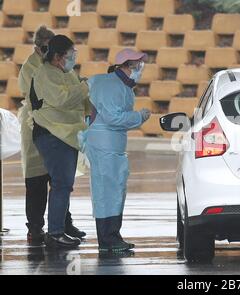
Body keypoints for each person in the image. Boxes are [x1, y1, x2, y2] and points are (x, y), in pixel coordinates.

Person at [17, 26, 85, 245]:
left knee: (61, 183)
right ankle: (37, 228)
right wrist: (84, 89)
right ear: (40, 47)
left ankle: (62, 225)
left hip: (62, 130)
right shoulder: (34, 68)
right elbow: (56, 99)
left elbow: (73, 94)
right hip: (43, 127)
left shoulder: (63, 69)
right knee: (39, 182)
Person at [79, 49, 151, 252]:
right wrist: (139, 117)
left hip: (110, 145)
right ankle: (108, 238)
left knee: (113, 190)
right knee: (107, 191)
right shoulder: (112, 85)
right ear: (128, 66)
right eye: (138, 65)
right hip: (105, 145)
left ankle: (112, 236)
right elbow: (113, 117)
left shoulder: (116, 84)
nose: (140, 69)